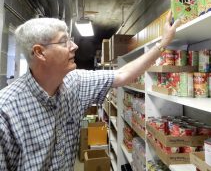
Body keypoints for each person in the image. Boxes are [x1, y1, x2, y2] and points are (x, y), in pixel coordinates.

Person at [0, 11, 180, 170]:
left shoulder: (74, 82)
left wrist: (163, 44)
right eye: (64, 41)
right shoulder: (6, 111)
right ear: (39, 52)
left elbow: (123, 75)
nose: (74, 46)